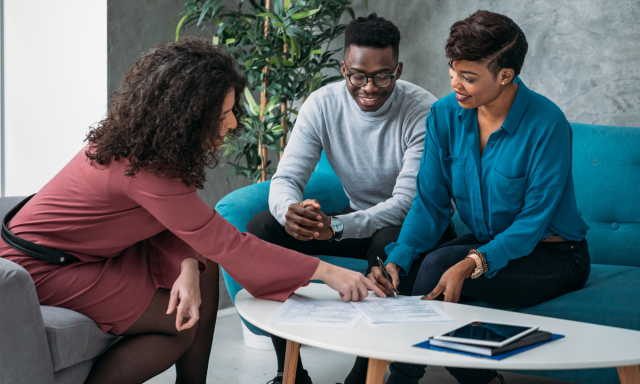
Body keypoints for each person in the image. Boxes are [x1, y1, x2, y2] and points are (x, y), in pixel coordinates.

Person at [0, 37, 385, 384]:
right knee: (182, 325)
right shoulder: (145, 170)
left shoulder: (148, 147)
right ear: (188, 116)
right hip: (42, 267)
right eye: (224, 115)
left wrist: (186, 264)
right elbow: (227, 242)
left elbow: (176, 226)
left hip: (81, 253)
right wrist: (326, 271)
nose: (233, 124)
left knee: (203, 266)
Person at [369, 10, 591, 384]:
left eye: (468, 77)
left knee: (441, 265)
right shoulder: (443, 115)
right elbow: (430, 203)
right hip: (487, 241)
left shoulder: (547, 124)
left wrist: (474, 261)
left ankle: (400, 379)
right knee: (398, 268)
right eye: (453, 70)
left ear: (505, 75)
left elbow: (532, 222)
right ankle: (481, 380)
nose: (455, 83)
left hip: (553, 254)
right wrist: (400, 259)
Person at [246, 13, 456, 384]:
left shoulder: (423, 111)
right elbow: (287, 177)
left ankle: (362, 375)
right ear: (344, 68)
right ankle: (290, 373)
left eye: (382, 76)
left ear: (398, 68)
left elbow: (409, 202)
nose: (369, 87)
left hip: (414, 229)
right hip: (357, 221)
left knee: (387, 240)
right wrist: (289, 211)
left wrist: (339, 227)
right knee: (262, 227)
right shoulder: (322, 104)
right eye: (357, 75)